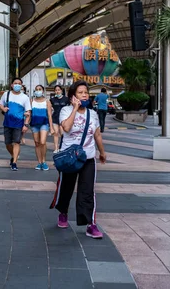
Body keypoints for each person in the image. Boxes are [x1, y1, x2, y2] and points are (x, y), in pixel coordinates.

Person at [50, 80, 107, 239]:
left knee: (87, 191)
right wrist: (75, 108)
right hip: (69, 158)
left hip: (88, 158)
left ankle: (91, 224)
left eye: (86, 93)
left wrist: (102, 152)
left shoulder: (93, 114)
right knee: (66, 188)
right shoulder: (65, 111)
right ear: (72, 96)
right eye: (80, 93)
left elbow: (97, 135)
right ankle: (63, 212)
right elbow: (66, 128)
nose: (84, 95)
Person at [0, 78, 31, 171]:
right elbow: (0, 104)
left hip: (19, 123)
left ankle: (14, 162)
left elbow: (28, 111)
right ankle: (14, 155)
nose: (17, 85)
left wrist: (26, 125)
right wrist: (3, 109)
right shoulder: (6, 94)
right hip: (7, 122)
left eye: (19, 84)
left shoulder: (25, 97)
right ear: (12, 85)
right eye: (15, 83)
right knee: (7, 143)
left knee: (16, 142)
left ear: (21, 86)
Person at [30, 85, 55, 171]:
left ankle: (44, 162)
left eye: (40, 89)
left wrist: (51, 127)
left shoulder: (47, 102)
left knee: (42, 142)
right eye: (36, 89)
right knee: (37, 143)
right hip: (34, 124)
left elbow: (49, 115)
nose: (38, 91)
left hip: (44, 123)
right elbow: (29, 113)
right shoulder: (31, 101)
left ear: (43, 91)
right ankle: (39, 162)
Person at [50, 85, 70, 153]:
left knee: (62, 134)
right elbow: (50, 108)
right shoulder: (52, 99)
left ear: (61, 90)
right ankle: (56, 148)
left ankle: (63, 147)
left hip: (63, 119)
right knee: (55, 133)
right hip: (55, 118)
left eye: (58, 90)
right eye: (56, 90)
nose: (57, 91)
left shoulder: (66, 99)